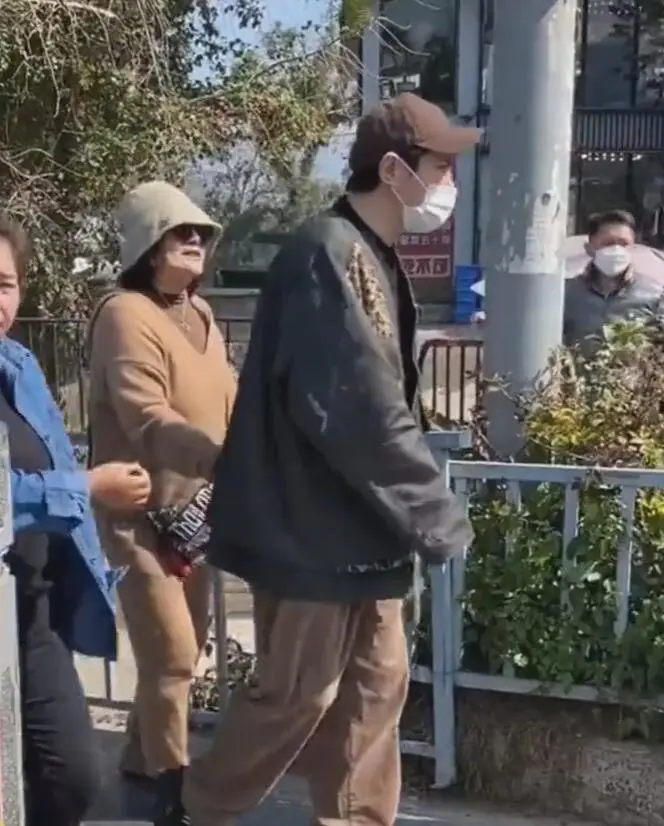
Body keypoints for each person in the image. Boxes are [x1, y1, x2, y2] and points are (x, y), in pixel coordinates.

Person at [182, 93, 477, 826]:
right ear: (393, 170)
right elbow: (356, 408)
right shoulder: (327, 253)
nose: (450, 183)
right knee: (298, 695)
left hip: (366, 528)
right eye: (440, 166)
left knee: (375, 693)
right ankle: (198, 809)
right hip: (310, 531)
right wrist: (437, 515)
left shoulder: (367, 254)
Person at [86, 181, 237, 826]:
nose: (195, 239)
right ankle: (173, 795)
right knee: (172, 657)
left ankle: (136, 763)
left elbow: (227, 402)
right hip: (136, 518)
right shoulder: (124, 313)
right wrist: (217, 457)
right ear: (149, 246)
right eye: (180, 231)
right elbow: (145, 416)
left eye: (201, 231)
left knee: (181, 654)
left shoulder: (202, 315)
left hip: (196, 518)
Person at [0, 216, 152, 826]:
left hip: (33, 609)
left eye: (4, 284)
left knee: (72, 775)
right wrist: (88, 487)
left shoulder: (19, 365)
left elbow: (56, 462)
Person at [564, 209, 664, 354]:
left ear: (633, 247)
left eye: (624, 244)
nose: (616, 249)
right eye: (608, 243)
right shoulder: (567, 293)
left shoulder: (655, 295)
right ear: (589, 248)